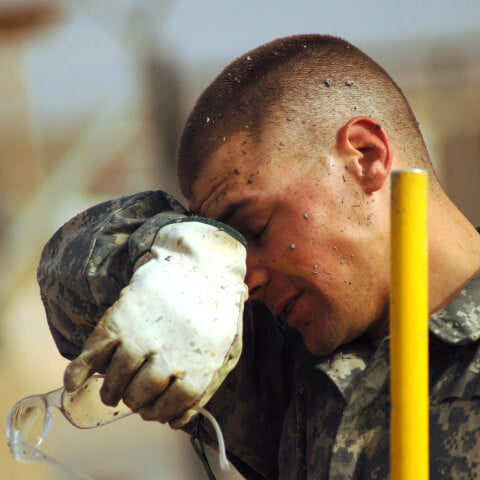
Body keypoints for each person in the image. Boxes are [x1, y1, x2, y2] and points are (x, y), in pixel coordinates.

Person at [38, 34, 480, 479]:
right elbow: (65, 282)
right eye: (228, 244)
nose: (244, 280)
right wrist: (174, 252)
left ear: (366, 156)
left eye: (255, 228)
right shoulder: (286, 356)